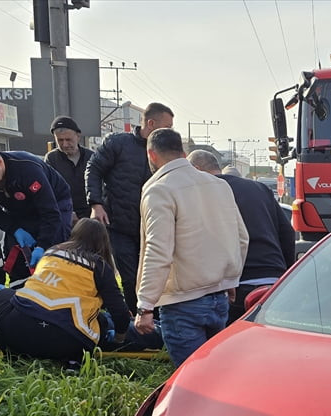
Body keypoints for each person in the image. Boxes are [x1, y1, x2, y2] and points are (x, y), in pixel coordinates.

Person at [133, 129, 248, 366]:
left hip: (182, 302)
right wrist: (230, 280)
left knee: (190, 378)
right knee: (214, 374)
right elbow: (241, 238)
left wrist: (145, 305)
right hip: (219, 297)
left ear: (151, 154)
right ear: (183, 153)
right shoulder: (219, 185)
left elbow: (158, 250)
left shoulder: (159, 190)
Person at [0, 218, 158, 361]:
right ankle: (166, 333)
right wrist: (119, 339)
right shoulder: (98, 266)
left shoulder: (51, 253)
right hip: (68, 340)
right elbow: (120, 313)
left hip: (17, 330)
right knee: (106, 322)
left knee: (4, 295)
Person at [86, 102, 175, 312]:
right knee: (130, 277)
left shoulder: (165, 151)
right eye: (167, 127)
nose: (170, 132)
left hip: (151, 225)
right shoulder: (118, 143)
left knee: (155, 274)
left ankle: (154, 317)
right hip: (119, 224)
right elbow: (94, 169)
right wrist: (96, 203)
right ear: (151, 123)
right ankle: (137, 319)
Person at [187, 150, 295, 323]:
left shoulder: (202, 193)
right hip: (273, 282)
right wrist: (285, 275)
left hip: (234, 286)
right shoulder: (259, 188)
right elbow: (287, 233)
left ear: (196, 169)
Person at [0, 141, 73, 281]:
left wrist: (42, 246)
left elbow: (51, 213)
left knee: (53, 254)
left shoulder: (28, 170)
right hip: (17, 208)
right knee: (17, 260)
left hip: (55, 203)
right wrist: (14, 229)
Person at [45, 116, 93, 220]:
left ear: (78, 136)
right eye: (60, 140)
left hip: (90, 214)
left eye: (68, 140)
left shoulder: (91, 157)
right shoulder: (51, 159)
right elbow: (49, 190)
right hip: (64, 215)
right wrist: (66, 211)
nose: (65, 144)